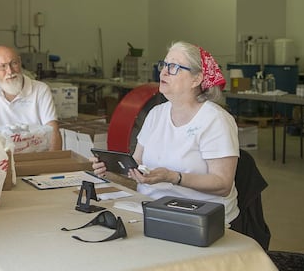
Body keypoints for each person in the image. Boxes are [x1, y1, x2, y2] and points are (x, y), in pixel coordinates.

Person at [92, 41, 240, 225]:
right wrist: (111, 170)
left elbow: (223, 185)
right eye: (164, 65)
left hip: (201, 219)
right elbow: (136, 166)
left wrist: (174, 177)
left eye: (174, 67)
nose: (163, 72)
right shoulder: (156, 114)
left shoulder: (215, 120)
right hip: (149, 209)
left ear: (196, 79)